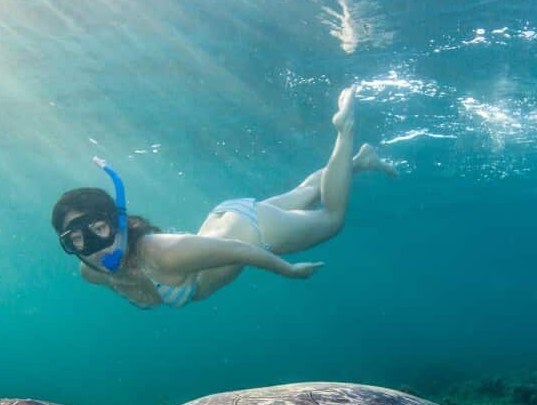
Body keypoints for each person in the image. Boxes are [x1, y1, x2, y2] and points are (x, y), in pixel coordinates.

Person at [51, 87, 396, 309]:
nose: (95, 245)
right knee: (305, 193)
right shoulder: (91, 270)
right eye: (78, 239)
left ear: (119, 221)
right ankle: (361, 162)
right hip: (228, 219)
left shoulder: (163, 253)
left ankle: (345, 131)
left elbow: (241, 251)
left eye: (98, 228)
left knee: (331, 218)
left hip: (254, 232)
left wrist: (288, 271)